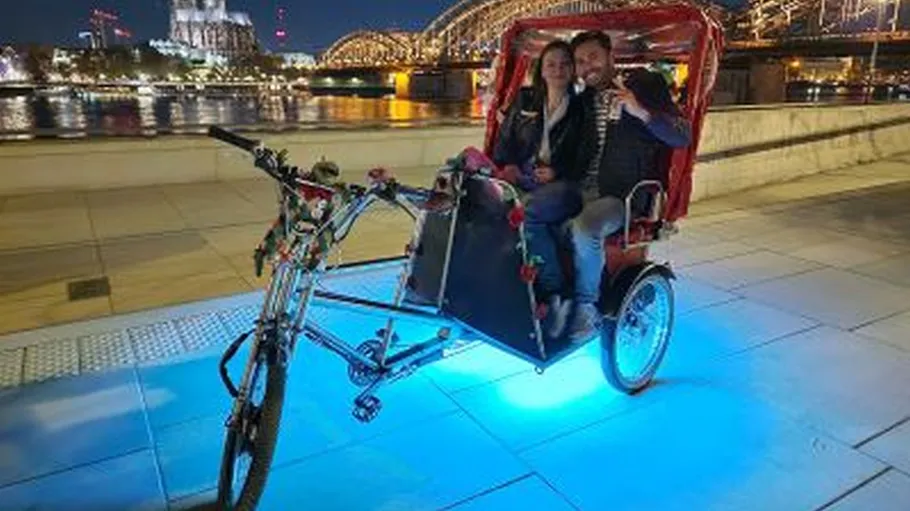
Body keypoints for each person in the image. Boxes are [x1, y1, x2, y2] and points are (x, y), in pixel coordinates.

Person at [564, 30, 693, 342]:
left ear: (611, 56)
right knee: (522, 210)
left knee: (585, 226)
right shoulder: (581, 100)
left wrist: (641, 111)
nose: (586, 66)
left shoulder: (643, 85)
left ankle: (585, 309)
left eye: (593, 57)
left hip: (621, 196)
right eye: (579, 61)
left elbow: (682, 135)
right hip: (579, 189)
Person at [492, 39, 590, 333]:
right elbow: (504, 141)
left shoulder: (582, 108)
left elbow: (586, 155)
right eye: (551, 64)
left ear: (573, 70)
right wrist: (507, 165)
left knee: (527, 213)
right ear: (541, 70)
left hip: (564, 187)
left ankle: (556, 291)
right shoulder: (525, 100)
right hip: (524, 177)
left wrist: (558, 170)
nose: (557, 69)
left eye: (564, 64)